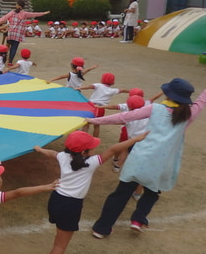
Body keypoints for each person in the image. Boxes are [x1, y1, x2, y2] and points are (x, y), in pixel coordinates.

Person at [88, 78, 206, 238]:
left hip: (140, 159)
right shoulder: (189, 114)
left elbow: (123, 117)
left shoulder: (155, 108)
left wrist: (94, 120)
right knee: (152, 193)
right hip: (162, 164)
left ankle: (101, 228)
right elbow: (202, 100)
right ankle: (138, 219)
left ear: (167, 94)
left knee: (120, 195)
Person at [33, 130, 147, 254]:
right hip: (71, 206)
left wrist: (40, 150)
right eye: (92, 147)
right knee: (61, 244)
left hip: (56, 200)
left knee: (60, 236)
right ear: (83, 151)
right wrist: (137, 138)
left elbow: (52, 153)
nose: (95, 149)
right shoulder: (91, 162)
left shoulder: (63, 156)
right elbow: (114, 149)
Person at [0, 0, 50, 65]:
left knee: (8, 46)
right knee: (14, 47)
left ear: (18, 6)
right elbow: (34, 14)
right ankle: (10, 61)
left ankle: (4, 57)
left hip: (11, 32)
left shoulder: (12, 12)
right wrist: (44, 13)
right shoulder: (25, 13)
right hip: (18, 33)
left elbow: (4, 18)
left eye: (16, 4)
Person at [78, 72, 130, 137]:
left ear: (102, 80)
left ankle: (82, 137)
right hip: (101, 108)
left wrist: (80, 88)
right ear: (113, 82)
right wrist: (130, 91)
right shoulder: (112, 90)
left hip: (91, 107)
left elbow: (90, 86)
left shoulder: (98, 85)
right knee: (97, 125)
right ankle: (95, 139)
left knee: (86, 123)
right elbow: (122, 90)